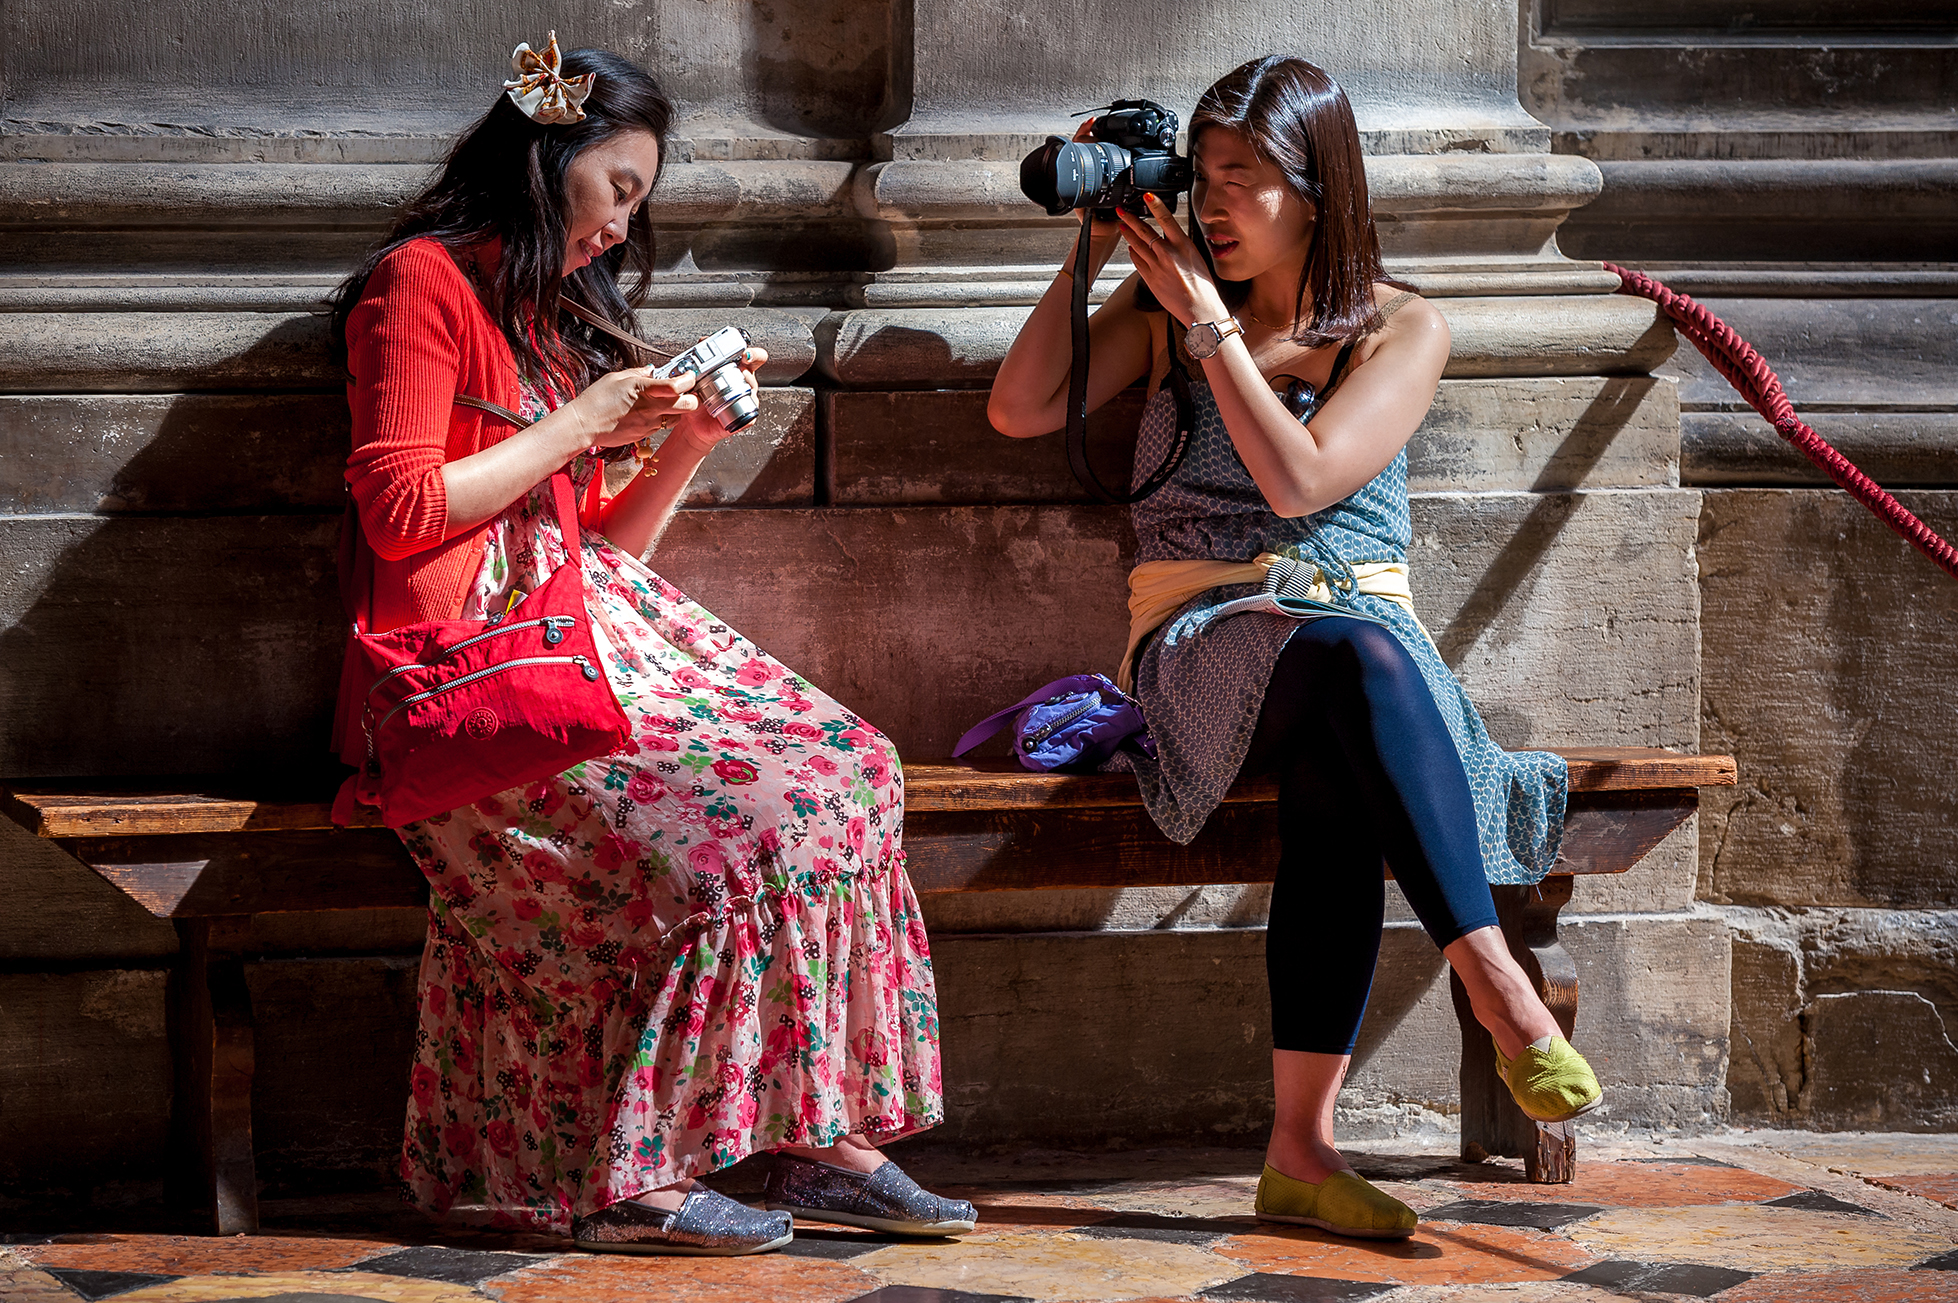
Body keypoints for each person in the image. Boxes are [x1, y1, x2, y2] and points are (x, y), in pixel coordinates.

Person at [328, 34, 973, 1255]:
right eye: (618, 188)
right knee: (722, 837)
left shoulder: (544, 307)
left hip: (577, 629)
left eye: (641, 200)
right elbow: (400, 510)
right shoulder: (418, 284)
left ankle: (805, 1126)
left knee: (849, 771)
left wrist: (678, 442)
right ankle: (624, 1171)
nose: (625, 226)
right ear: (547, 158)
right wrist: (583, 416)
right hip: (461, 674)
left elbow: (600, 545)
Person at [988, 55, 1603, 1239]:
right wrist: (1094, 248)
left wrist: (1209, 328)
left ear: (1315, 188)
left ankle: (1299, 1153)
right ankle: (1491, 978)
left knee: (1338, 755)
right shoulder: (1160, 319)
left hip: (1347, 649)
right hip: (1200, 641)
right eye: (1200, 178)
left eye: (1242, 180)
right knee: (1349, 660)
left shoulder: (1398, 326)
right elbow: (1019, 407)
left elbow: (1300, 478)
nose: (1210, 206)